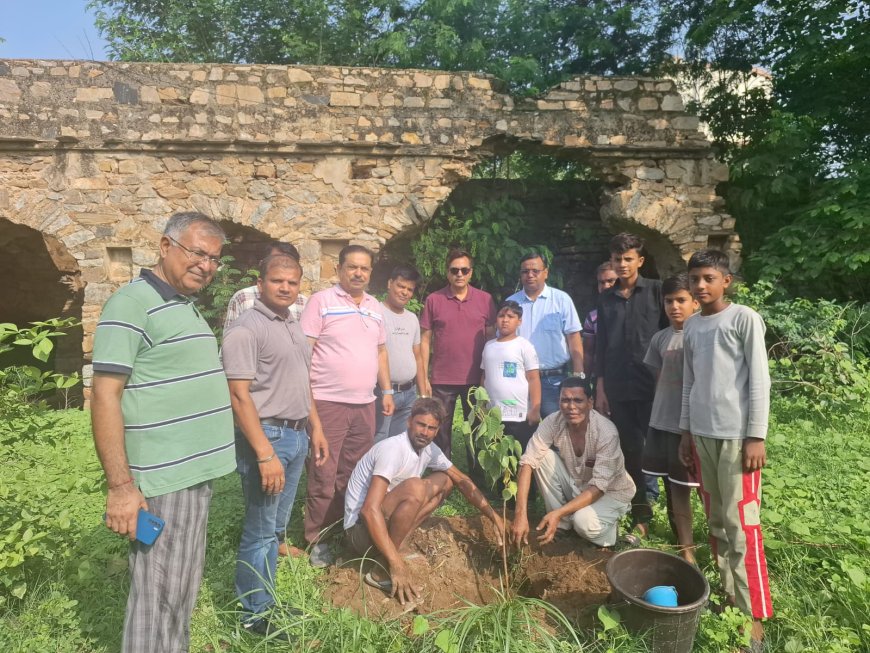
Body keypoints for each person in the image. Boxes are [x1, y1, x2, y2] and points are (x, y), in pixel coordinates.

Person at [91, 212, 235, 652]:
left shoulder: (182, 304)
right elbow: (104, 396)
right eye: (197, 253)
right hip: (161, 481)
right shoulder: (131, 303)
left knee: (179, 592)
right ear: (165, 246)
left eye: (213, 259)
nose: (206, 265)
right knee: (158, 597)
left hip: (190, 476)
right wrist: (120, 487)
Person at [222, 254, 329, 636]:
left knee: (274, 530)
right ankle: (252, 616)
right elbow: (238, 397)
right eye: (277, 281)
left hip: (296, 434)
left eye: (292, 282)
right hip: (268, 437)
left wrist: (314, 428)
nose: (285, 287)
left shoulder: (292, 324)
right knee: (259, 529)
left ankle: (266, 601)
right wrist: (265, 453)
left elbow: (302, 381)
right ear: (260, 282)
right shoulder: (246, 329)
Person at [679, 249, 773, 649]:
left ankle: (755, 617)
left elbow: (759, 380)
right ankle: (729, 598)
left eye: (708, 278)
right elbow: (689, 381)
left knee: (741, 525)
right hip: (702, 436)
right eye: (695, 279)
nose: (700, 286)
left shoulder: (744, 319)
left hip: (737, 438)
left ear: (726, 281)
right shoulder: (693, 326)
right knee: (716, 521)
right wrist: (685, 432)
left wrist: (756, 435)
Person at [343, 398, 505, 605]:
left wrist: (494, 517)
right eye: (421, 425)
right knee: (416, 487)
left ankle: (396, 545)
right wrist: (396, 564)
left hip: (382, 524)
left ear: (437, 430)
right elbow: (369, 510)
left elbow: (463, 481)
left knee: (446, 480)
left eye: (431, 428)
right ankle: (381, 569)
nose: (425, 432)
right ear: (409, 421)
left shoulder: (429, 449)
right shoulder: (392, 449)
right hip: (360, 533)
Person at [300, 244, 394, 567]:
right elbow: (304, 355)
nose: (358, 273)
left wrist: (388, 391)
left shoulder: (374, 307)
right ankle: (317, 540)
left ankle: (346, 531)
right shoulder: (321, 302)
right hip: (328, 403)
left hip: (365, 405)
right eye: (352, 267)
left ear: (370, 273)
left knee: (354, 474)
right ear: (339, 269)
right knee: (324, 472)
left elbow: (381, 352)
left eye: (364, 269)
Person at [594, 233, 667, 541]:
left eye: (627, 259)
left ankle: (674, 514)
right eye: (616, 259)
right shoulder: (606, 299)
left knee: (662, 449)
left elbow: (670, 336)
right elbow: (601, 345)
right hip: (618, 386)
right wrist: (600, 385)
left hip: (655, 386)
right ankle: (641, 513)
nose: (622, 265)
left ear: (640, 260)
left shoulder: (656, 292)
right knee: (630, 450)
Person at [511, 377, 635, 549]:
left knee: (583, 523)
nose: (571, 407)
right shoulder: (553, 422)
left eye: (578, 400)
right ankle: (562, 524)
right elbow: (527, 462)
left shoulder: (606, 432)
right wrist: (520, 514)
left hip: (611, 492)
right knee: (542, 458)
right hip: (580, 484)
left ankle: (611, 536)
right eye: (565, 400)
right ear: (559, 402)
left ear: (590, 402)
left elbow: (599, 487)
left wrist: (560, 511)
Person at [636, 273, 700, 562]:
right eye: (669, 301)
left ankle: (718, 544)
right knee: (676, 486)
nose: (675, 307)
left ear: (695, 302)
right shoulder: (660, 339)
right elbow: (658, 376)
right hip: (663, 421)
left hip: (696, 425)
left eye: (681, 300)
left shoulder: (701, 334)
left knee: (703, 487)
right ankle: (686, 550)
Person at [420, 249, 497, 458]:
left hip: (476, 378)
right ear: (447, 273)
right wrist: (424, 377)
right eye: (455, 270)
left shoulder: (485, 300)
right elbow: (425, 341)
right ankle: (441, 473)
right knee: (440, 430)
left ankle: (478, 476)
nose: (459, 274)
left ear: (471, 273)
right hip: (442, 378)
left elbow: (492, 341)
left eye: (464, 270)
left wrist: (490, 375)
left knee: (478, 428)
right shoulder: (434, 300)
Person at [507, 252, 584, 418]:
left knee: (558, 431)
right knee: (521, 434)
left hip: (555, 380)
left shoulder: (561, 300)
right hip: (521, 380)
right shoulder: (511, 303)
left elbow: (573, 338)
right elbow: (504, 342)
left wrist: (578, 375)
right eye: (525, 271)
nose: (530, 275)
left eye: (535, 271)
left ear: (546, 273)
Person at [374, 265, 427, 443]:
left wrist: (423, 394)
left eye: (409, 289)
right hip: (383, 392)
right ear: (390, 284)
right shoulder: (376, 313)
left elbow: (417, 356)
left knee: (400, 443)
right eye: (401, 286)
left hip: (409, 392)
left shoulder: (412, 318)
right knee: (379, 440)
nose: (404, 292)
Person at [480, 300, 541, 452]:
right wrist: (481, 405)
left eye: (510, 316)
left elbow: (533, 378)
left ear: (519, 321)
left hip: (518, 415)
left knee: (520, 455)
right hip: (494, 414)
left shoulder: (524, 346)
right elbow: (484, 377)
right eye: (501, 316)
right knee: (498, 455)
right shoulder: (489, 346)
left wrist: (534, 408)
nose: (505, 320)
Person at [223, 241, 307, 329]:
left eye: (288, 263)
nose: (285, 289)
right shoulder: (243, 297)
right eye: (275, 261)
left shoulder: (304, 303)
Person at [581, 261, 618, 378]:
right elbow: (588, 353)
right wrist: (585, 381)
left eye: (611, 281)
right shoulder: (592, 317)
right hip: (602, 377)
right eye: (602, 282)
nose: (606, 286)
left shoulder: (634, 310)